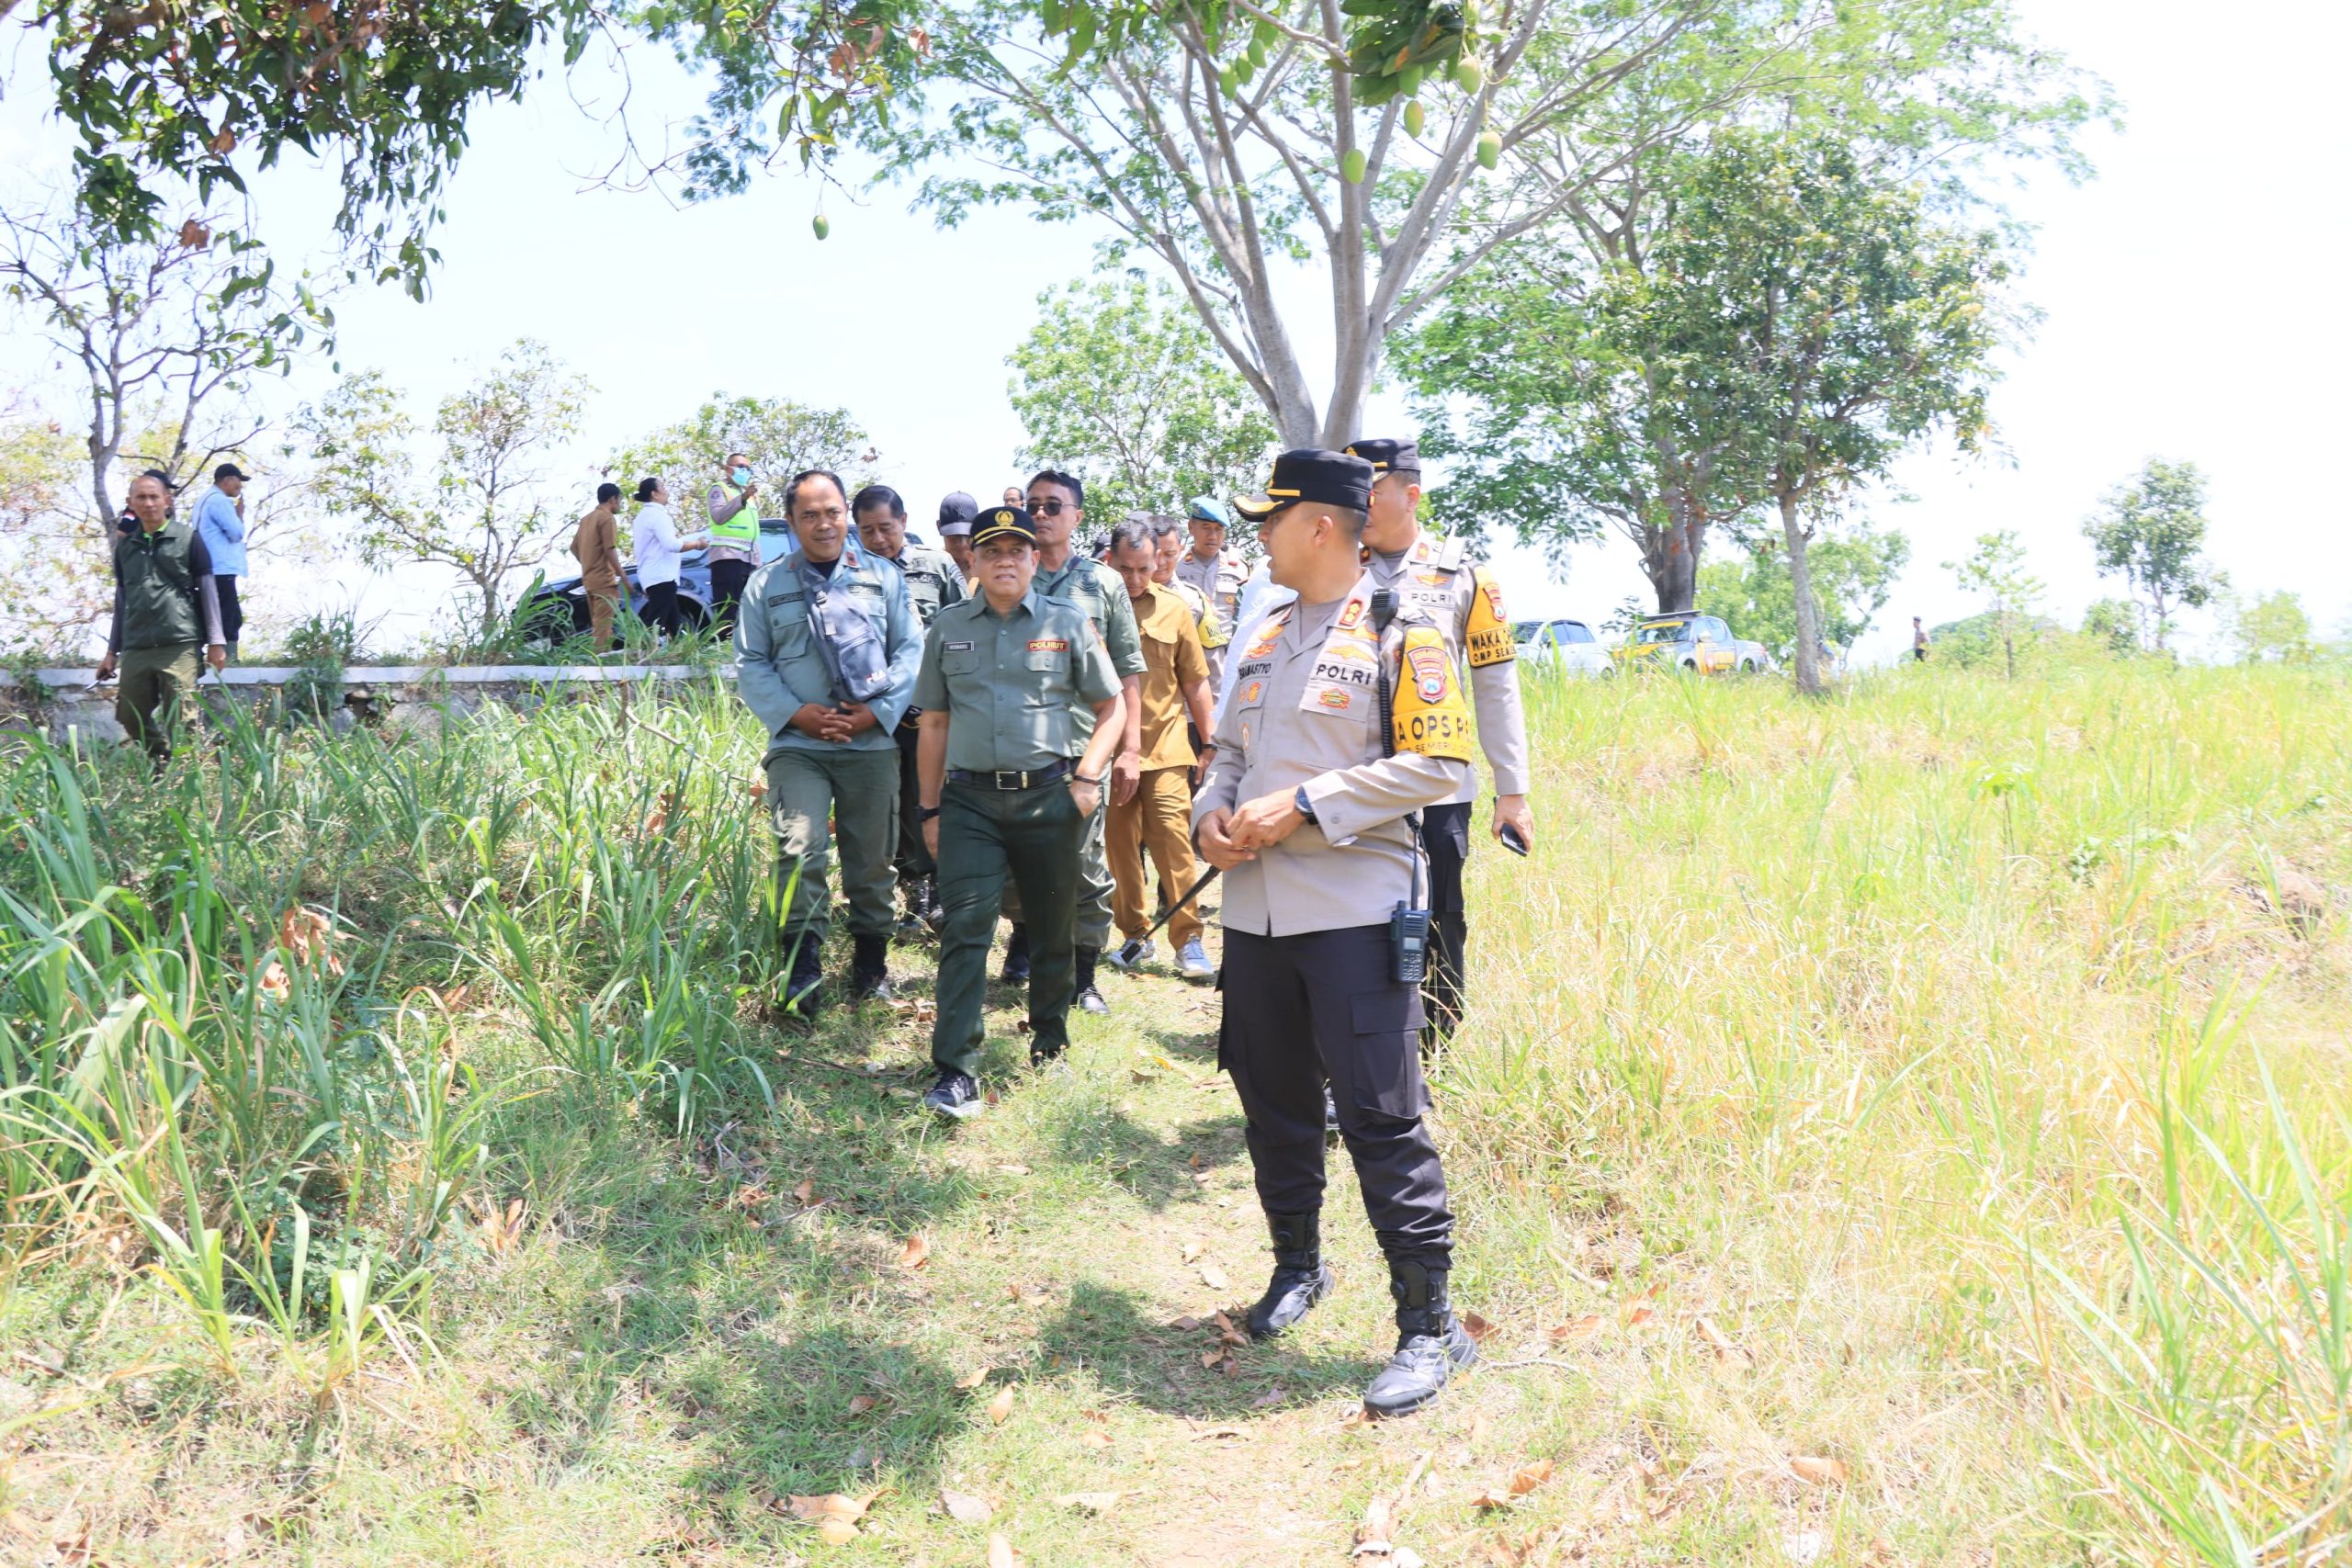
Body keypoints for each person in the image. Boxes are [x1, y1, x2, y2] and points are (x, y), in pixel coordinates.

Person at [1194, 447, 1478, 1417]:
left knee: (1380, 1117)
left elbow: (1439, 765)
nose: (1259, 539)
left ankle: (1430, 1326)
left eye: (1269, 520)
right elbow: (1226, 758)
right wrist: (1211, 816)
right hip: (1256, 915)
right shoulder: (1266, 633)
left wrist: (1308, 803)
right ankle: (1298, 1267)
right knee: (1272, 1103)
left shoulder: (1404, 628)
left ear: (1318, 525)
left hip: (1354, 912)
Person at [913, 505, 1125, 1120]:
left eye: (1016, 550)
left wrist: (1088, 777)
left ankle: (1050, 1045)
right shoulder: (948, 627)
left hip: (1049, 798)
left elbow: (1112, 707)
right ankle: (956, 1069)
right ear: (973, 561)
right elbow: (933, 723)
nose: (1005, 561)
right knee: (966, 928)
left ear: (1035, 559)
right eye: (992, 551)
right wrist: (929, 809)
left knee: (1053, 926)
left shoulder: (1067, 621)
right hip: (970, 802)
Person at [1346, 437, 1532, 1046]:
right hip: (1351, 781)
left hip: (1438, 784)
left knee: (1440, 915)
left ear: (1411, 495)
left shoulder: (1465, 576)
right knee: (1352, 919)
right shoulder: (1337, 566)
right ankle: (1357, 1047)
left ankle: (1434, 1050)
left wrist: (1513, 791)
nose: (1361, 505)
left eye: (1373, 492)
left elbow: (1496, 688)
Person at [736, 469, 923, 1015]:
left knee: (872, 858)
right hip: (800, 746)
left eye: (833, 512)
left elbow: (910, 652)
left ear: (847, 515)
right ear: (791, 522)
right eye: (810, 515)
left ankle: (871, 965)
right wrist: (799, 715)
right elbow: (751, 662)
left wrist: (875, 714)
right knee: (798, 848)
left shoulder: (883, 577)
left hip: (872, 744)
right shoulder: (765, 584)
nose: (824, 524)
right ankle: (802, 969)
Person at [1017, 468, 1146, 1014]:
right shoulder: (1006, 572)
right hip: (1017, 745)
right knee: (1022, 858)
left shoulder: (1104, 583)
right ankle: (1026, 948)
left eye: (1053, 505)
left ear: (1077, 516)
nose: (1041, 514)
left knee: (1086, 864)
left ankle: (1084, 976)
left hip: (1084, 746)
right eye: (1033, 504)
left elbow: (1128, 670)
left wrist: (1130, 749)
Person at [1099, 521, 1216, 982]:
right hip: (1108, 749)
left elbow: (1195, 681)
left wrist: (1210, 742)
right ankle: (1135, 935)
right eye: (1125, 569)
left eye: (1144, 568)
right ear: (1109, 561)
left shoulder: (1174, 608)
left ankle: (1188, 939)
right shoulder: (1091, 608)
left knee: (1172, 840)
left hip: (1165, 746)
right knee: (1120, 847)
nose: (1134, 579)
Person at [854, 482, 968, 936]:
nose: (879, 539)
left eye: (886, 527)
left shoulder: (935, 566)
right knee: (895, 800)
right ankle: (914, 893)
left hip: (932, 709)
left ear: (903, 522)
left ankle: (943, 891)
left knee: (935, 794)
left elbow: (965, 625)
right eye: (867, 531)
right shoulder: (851, 573)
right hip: (878, 710)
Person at [96, 471, 228, 767]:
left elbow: (208, 590)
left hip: (178, 643)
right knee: (129, 715)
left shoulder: (188, 539)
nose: (148, 503)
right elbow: (122, 599)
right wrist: (111, 651)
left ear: (167, 500)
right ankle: (163, 760)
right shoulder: (125, 548)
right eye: (141, 497)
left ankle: (191, 777)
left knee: (182, 718)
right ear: (131, 502)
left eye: (154, 496)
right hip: (137, 645)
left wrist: (217, 641)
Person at [1149, 514, 1228, 742]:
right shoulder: (1121, 597)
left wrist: (1212, 733)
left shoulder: (1195, 601)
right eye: (1154, 554)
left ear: (1180, 550)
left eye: (1169, 554)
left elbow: (1213, 667)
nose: (1160, 562)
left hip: (1186, 718)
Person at [1175, 496, 1247, 688]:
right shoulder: (1175, 566)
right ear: (1191, 527)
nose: (1213, 536)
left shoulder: (1239, 568)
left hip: (1225, 657)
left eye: (1219, 529)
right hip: (1184, 654)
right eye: (1206, 528)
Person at [632, 477, 707, 640]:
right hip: (662, 576)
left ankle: (679, 650)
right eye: (663, 488)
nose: (666, 491)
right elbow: (671, 545)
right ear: (655, 494)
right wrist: (697, 544)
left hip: (652, 575)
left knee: (674, 623)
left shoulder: (641, 517)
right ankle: (643, 648)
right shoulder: (658, 515)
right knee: (655, 621)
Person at [194, 463, 249, 660]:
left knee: (211, 612)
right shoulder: (220, 501)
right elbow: (236, 533)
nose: (240, 486)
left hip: (207, 565)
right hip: (220, 567)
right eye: (238, 481)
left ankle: (202, 653)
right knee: (229, 615)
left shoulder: (203, 499)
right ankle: (228, 658)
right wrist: (239, 515)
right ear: (227, 480)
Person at [704, 451, 762, 634]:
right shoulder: (719, 489)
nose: (746, 471)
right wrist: (742, 499)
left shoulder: (748, 495)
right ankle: (726, 648)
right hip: (728, 558)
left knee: (750, 613)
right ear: (728, 469)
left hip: (749, 560)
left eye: (748, 468)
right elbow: (719, 516)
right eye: (741, 467)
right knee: (728, 614)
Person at [571, 484, 628, 652]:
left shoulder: (586, 520)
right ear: (613, 499)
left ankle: (603, 657)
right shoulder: (606, 518)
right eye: (619, 500)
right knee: (603, 627)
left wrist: (589, 562)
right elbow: (609, 549)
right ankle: (598, 661)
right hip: (604, 580)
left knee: (601, 625)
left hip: (589, 580)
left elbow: (574, 548)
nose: (619, 504)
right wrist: (624, 578)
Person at [936, 491, 978, 583]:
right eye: (954, 536)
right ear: (939, 527)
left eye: (967, 536)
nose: (962, 544)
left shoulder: (987, 570)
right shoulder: (933, 571)